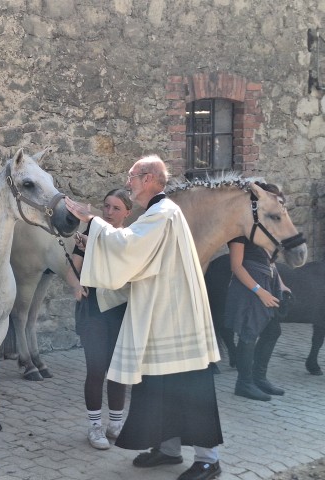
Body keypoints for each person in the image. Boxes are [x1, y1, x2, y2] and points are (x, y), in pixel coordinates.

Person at [66, 155, 223, 480]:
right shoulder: (156, 214)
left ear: (149, 178)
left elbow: (127, 248)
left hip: (175, 321)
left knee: (189, 387)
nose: (128, 183)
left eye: (132, 177)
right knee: (159, 386)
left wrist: (90, 220)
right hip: (161, 318)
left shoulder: (163, 214)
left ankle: (209, 460)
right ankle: (169, 449)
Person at [72, 189, 132, 450]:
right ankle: (95, 426)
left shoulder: (130, 239)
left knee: (118, 371)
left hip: (121, 311)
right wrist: (75, 284)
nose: (109, 212)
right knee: (96, 369)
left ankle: (116, 424)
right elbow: (73, 267)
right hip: (93, 310)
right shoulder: (88, 234)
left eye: (116, 208)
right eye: (106, 206)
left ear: (127, 213)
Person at [224, 183, 289, 402]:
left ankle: (259, 378)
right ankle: (244, 383)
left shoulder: (264, 229)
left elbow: (269, 262)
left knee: (272, 331)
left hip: (266, 285)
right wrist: (259, 291)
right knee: (249, 334)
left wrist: (280, 284)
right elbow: (236, 266)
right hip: (249, 289)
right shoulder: (239, 232)